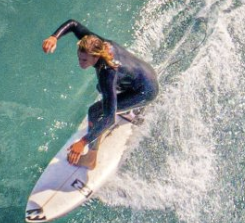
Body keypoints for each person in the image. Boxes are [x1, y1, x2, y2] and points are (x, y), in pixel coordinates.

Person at [42, 19, 158, 169]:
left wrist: (82, 142)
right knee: (101, 89)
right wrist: (54, 37)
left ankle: (90, 160)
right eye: (79, 57)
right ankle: (127, 109)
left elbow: (109, 119)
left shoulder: (107, 73)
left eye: (84, 60)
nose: (80, 62)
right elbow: (73, 24)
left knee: (95, 111)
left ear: (96, 57)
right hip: (146, 72)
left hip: (146, 92)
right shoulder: (96, 44)